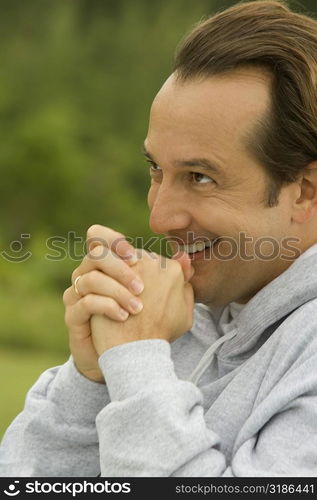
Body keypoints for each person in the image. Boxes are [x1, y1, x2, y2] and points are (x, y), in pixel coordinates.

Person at [1, 0, 317, 477]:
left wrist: (137, 363)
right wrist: (94, 378)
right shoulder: (179, 316)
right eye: (156, 169)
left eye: (200, 177)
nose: (159, 218)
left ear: (305, 192)